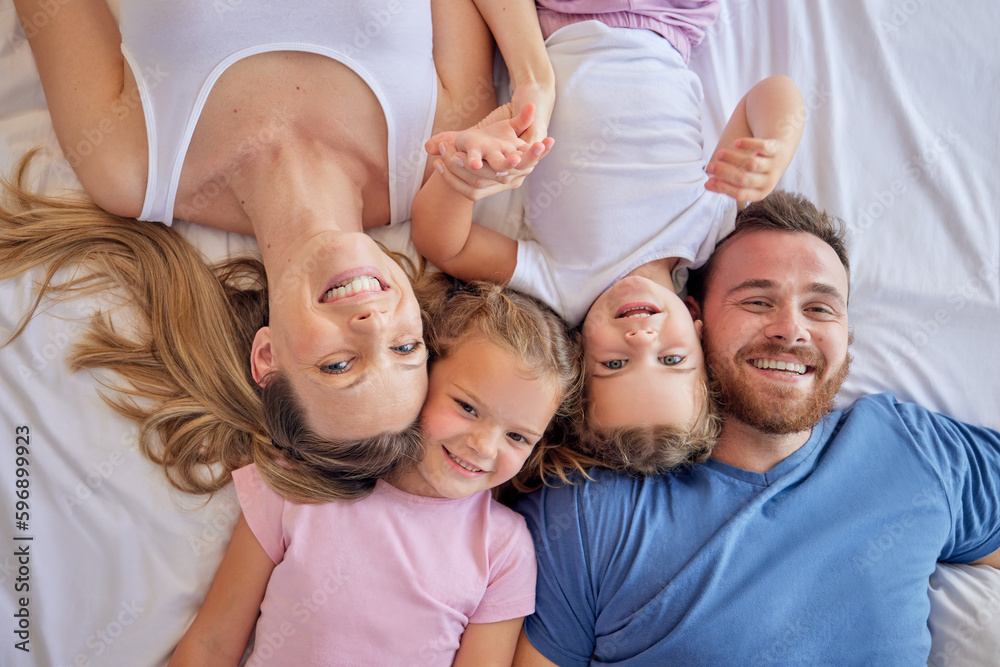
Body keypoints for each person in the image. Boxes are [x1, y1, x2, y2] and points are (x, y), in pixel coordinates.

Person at [9, 0, 555, 495]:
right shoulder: (442, 153)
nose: (372, 324)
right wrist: (534, 79)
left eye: (338, 364)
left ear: (267, 357)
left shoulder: (131, 169)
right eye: (405, 348)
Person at [511, 190, 1000, 665]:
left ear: (847, 334)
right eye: (758, 303)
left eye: (820, 309)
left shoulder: (916, 449)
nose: (791, 329)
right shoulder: (586, 510)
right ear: (693, 317)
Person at [410, 2, 803, 472]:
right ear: (698, 329)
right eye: (672, 359)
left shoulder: (566, 285)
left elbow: (445, 246)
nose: (641, 339)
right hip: (670, 22)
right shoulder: (708, 231)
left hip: (561, 19)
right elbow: (771, 92)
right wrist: (776, 147)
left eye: (615, 365)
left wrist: (462, 178)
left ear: (580, 356)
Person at [168, 273, 584, 665]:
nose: (483, 446)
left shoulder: (505, 550)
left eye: (517, 437)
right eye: (468, 408)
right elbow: (212, 643)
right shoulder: (299, 481)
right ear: (421, 372)